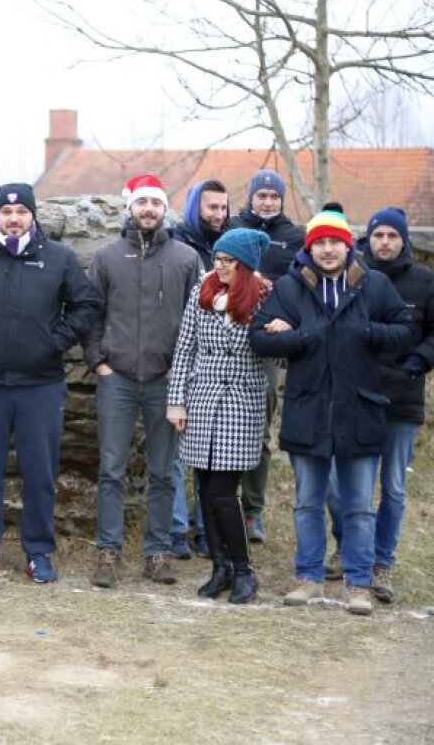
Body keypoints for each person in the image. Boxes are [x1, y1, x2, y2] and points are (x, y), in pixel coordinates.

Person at [249, 210, 415, 616]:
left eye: (334, 242)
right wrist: (300, 336)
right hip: (308, 408)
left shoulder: (373, 284)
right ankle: (307, 577)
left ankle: (358, 584)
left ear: (347, 246)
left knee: (358, 504)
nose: (327, 249)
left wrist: (369, 332)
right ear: (310, 247)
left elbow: (406, 330)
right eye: (319, 243)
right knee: (307, 502)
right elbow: (258, 337)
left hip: (359, 409)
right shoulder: (291, 287)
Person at [0, 182, 101, 583]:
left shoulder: (58, 258)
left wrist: (57, 341)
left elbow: (87, 304)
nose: (13, 219)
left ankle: (39, 552)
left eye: (21, 213)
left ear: (32, 216)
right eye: (7, 213)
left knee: (40, 472)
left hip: (40, 385)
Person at [323, 207, 434, 603]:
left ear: (403, 241)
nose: (384, 242)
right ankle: (348, 547)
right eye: (378, 235)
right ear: (367, 239)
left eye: (392, 236)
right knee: (337, 484)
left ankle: (381, 562)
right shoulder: (350, 276)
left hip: (401, 398)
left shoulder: (423, 281)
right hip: (352, 398)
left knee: (392, 487)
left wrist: (418, 363)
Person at [84, 174, 201, 588]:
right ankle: (108, 553)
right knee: (111, 469)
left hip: (166, 381)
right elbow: (90, 314)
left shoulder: (186, 259)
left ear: (164, 208)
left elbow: (197, 319)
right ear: (129, 207)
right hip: (116, 379)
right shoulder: (107, 257)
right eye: (141, 202)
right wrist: (98, 362)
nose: (148, 209)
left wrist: (181, 370)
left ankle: (156, 553)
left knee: (164, 472)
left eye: (155, 202)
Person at [167, 229, 272, 603]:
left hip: (241, 401)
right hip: (202, 398)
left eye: (228, 261)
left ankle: (244, 569)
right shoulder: (203, 290)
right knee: (206, 488)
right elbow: (185, 349)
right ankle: (220, 568)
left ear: (244, 264)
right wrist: (176, 401)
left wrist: (281, 331)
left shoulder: (264, 295)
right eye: (218, 259)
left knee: (224, 491)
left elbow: (274, 349)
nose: (220, 266)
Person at [228, 169, 306, 543]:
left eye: (274, 197)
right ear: (251, 197)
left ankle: (251, 511)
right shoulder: (232, 228)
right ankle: (215, 507)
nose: (267, 202)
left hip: (266, 347)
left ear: (281, 200)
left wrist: (288, 322)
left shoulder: (294, 238)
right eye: (261, 195)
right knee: (215, 427)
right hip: (224, 342)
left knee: (259, 429)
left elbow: (302, 288)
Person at [168, 178, 232, 557]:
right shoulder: (176, 245)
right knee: (178, 451)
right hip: (181, 356)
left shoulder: (231, 245)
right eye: (211, 207)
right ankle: (177, 531)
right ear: (195, 207)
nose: (218, 214)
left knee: (213, 453)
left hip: (217, 364)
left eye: (223, 208)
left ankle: (208, 529)